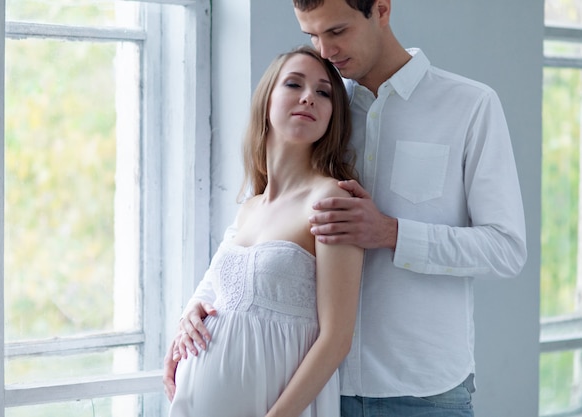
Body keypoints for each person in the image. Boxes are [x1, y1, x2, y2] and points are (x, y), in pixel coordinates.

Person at [165, 1, 528, 416]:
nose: (325, 51)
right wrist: (200, 306)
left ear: (381, 10)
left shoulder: (469, 106)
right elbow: (260, 223)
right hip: (318, 391)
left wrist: (391, 233)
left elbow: (506, 249)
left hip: (420, 392)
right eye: (312, 36)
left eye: (336, 32)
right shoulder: (322, 107)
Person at [166, 45, 364, 417]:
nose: (309, 96)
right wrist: (188, 317)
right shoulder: (250, 207)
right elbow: (215, 292)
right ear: (266, 100)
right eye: (294, 84)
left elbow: (337, 339)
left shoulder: (332, 200)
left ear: (332, 116)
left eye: (323, 92)